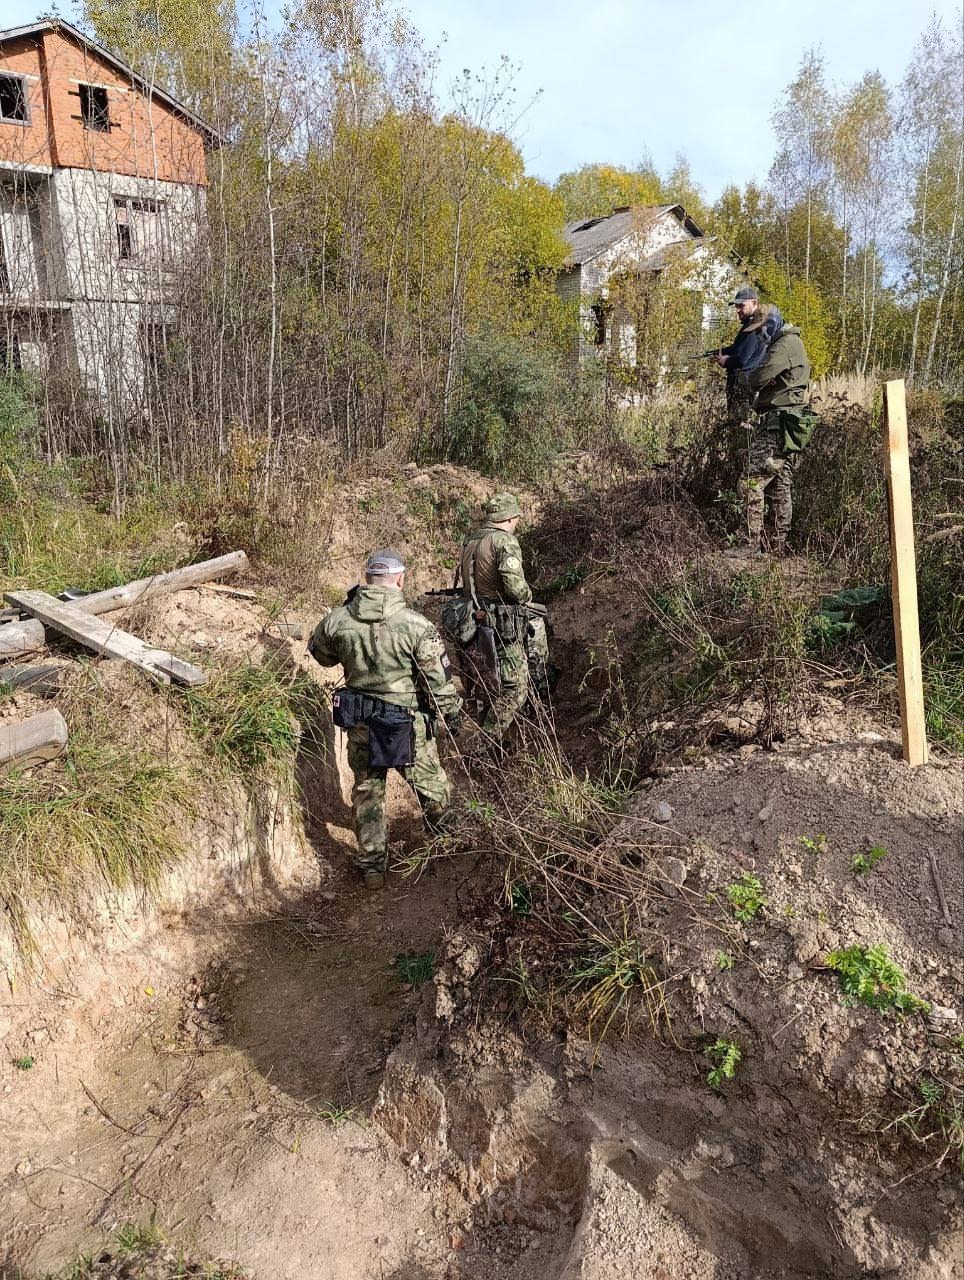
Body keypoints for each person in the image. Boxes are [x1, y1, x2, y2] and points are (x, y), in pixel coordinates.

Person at [308, 549, 464, 890]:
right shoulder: (416, 625)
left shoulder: (338, 619)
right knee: (431, 785)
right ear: (400, 580)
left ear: (366, 579)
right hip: (408, 724)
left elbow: (320, 655)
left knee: (367, 792)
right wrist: (452, 716)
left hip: (362, 722)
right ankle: (451, 846)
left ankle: (373, 868)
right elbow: (438, 682)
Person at [458, 493, 543, 742]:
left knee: (487, 683)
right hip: (500, 623)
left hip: (472, 620)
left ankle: (492, 744)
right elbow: (515, 588)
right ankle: (482, 744)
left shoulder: (471, 540)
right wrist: (527, 595)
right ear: (510, 517)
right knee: (515, 689)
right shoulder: (504, 541)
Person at [728, 320, 813, 556]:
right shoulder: (790, 343)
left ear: (770, 325)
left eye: (759, 331)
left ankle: (749, 544)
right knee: (779, 485)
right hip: (787, 423)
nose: (758, 336)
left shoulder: (784, 344)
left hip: (778, 424)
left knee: (750, 482)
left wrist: (758, 376)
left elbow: (756, 378)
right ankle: (777, 546)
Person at [715, 286, 784, 423]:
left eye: (741, 306)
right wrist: (723, 351)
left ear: (754, 303)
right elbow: (738, 350)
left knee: (738, 423)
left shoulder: (753, 327)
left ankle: (740, 443)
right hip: (746, 382)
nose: (738, 310)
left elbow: (742, 359)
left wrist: (725, 361)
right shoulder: (752, 325)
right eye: (736, 307)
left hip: (743, 383)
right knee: (741, 422)